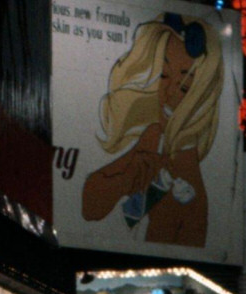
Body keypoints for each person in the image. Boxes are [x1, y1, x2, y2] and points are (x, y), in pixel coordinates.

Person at [80, 13, 225, 248]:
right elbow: (90, 206)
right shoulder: (154, 137)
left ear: (201, 96)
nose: (168, 92)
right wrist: (130, 176)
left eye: (185, 87)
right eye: (163, 75)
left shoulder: (190, 189)